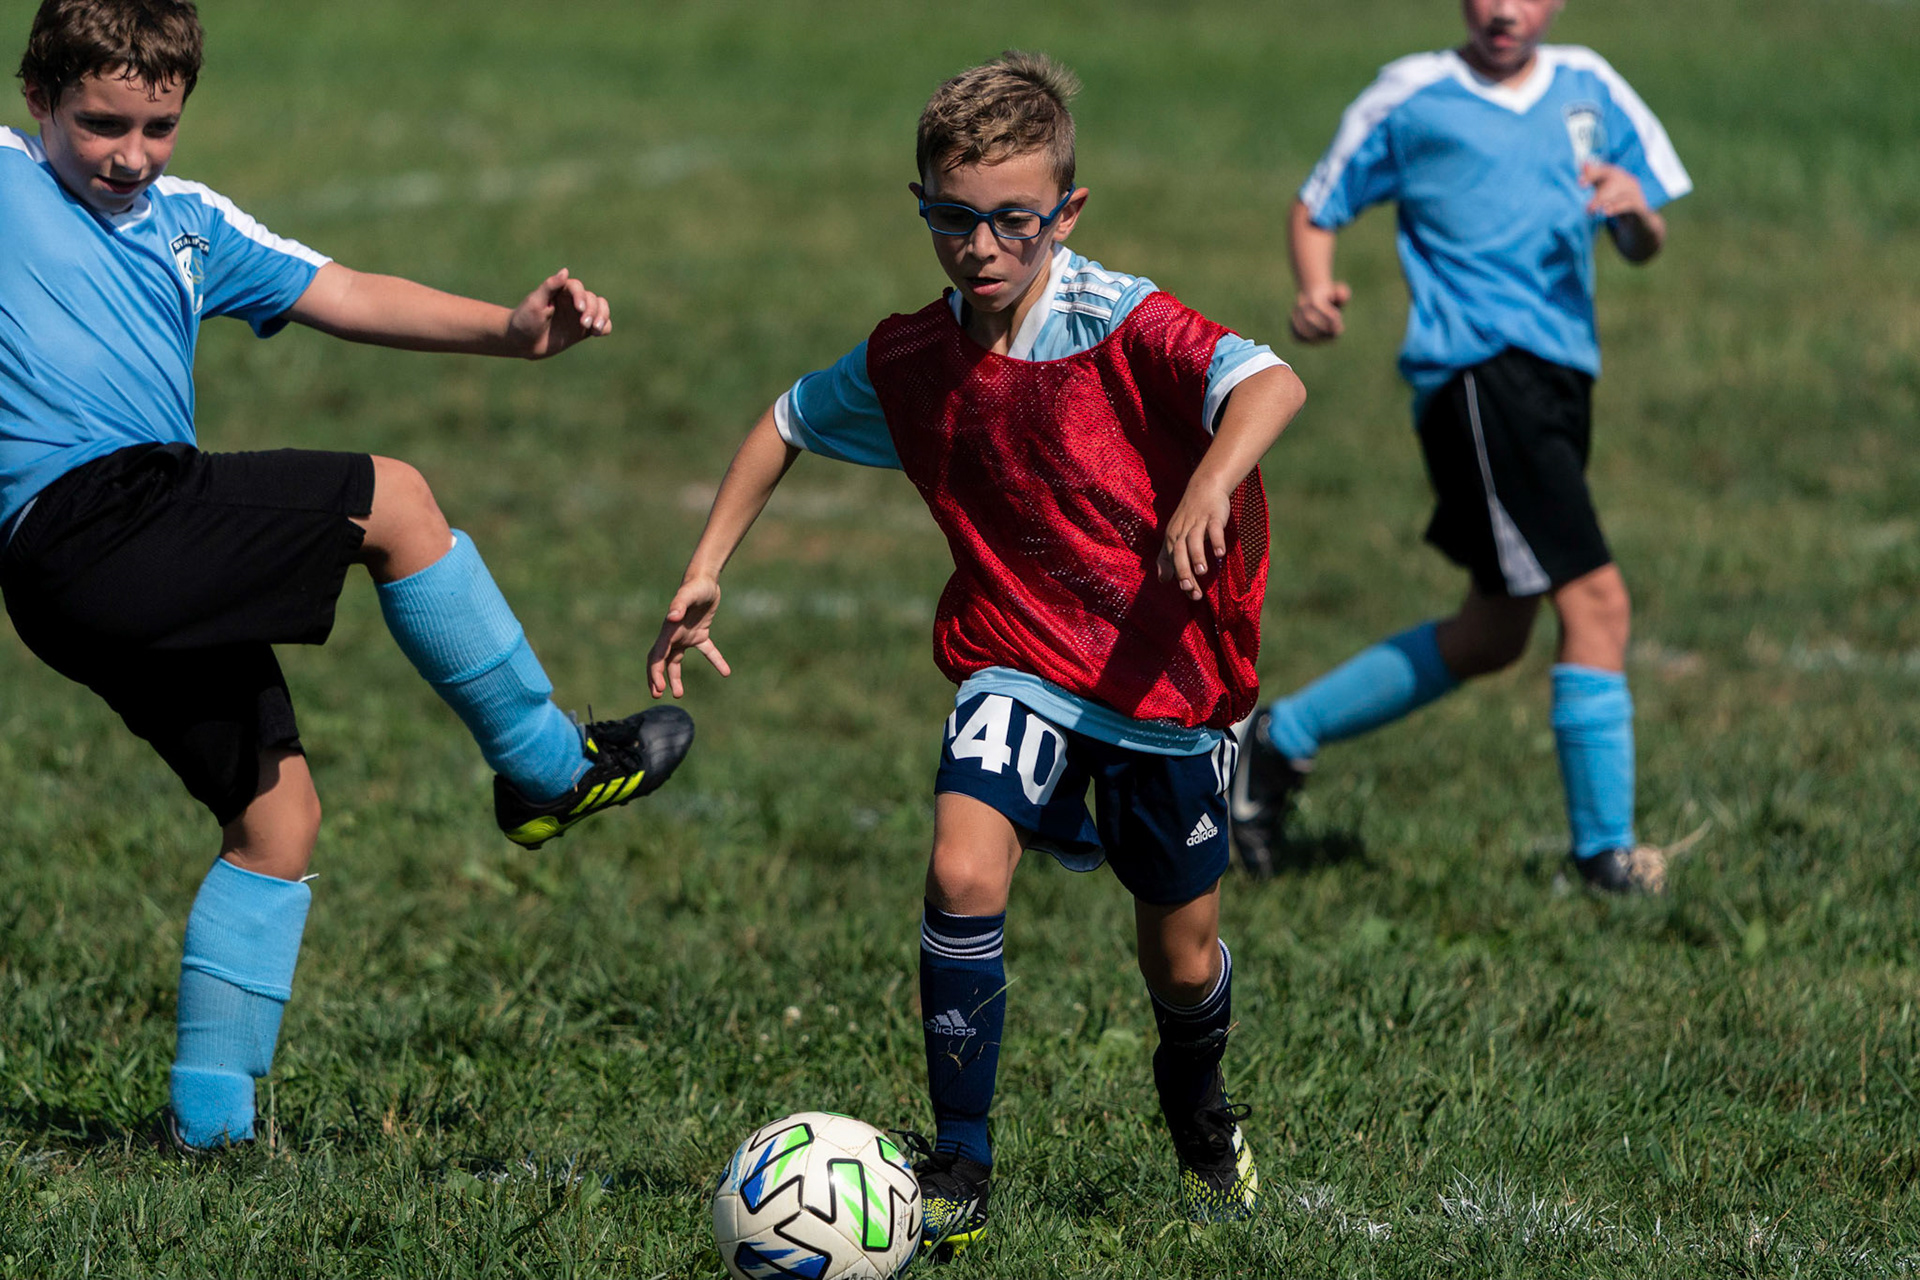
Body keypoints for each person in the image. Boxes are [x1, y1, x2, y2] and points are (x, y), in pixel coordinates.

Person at [2, 0, 693, 1153]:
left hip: (110, 576)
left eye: (158, 125)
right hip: (91, 519)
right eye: (100, 123)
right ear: (38, 103)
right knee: (397, 496)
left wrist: (513, 332)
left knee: (277, 818)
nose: (129, 153)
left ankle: (208, 1133)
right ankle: (545, 769)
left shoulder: (189, 222)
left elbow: (347, 290)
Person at [647, 51, 1305, 1246]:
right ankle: (961, 1163)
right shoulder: (911, 357)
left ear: (1067, 211)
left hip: (1165, 678)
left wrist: (1209, 482)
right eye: (954, 219)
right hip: (1018, 657)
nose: (983, 246)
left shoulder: (1118, 317)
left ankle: (1200, 1099)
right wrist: (707, 567)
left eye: (1013, 219)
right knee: (960, 871)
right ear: (925, 208)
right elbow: (785, 420)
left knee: (1181, 949)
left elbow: (1269, 382)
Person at [1231, 0, 1689, 894]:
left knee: (1494, 631)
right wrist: (1315, 287)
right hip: (1475, 377)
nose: (1503, 9)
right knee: (1597, 603)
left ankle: (1274, 741)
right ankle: (1606, 859)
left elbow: (1644, 239)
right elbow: (1318, 203)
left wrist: (1634, 214)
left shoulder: (1593, 86)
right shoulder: (1413, 94)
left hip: (1560, 381)